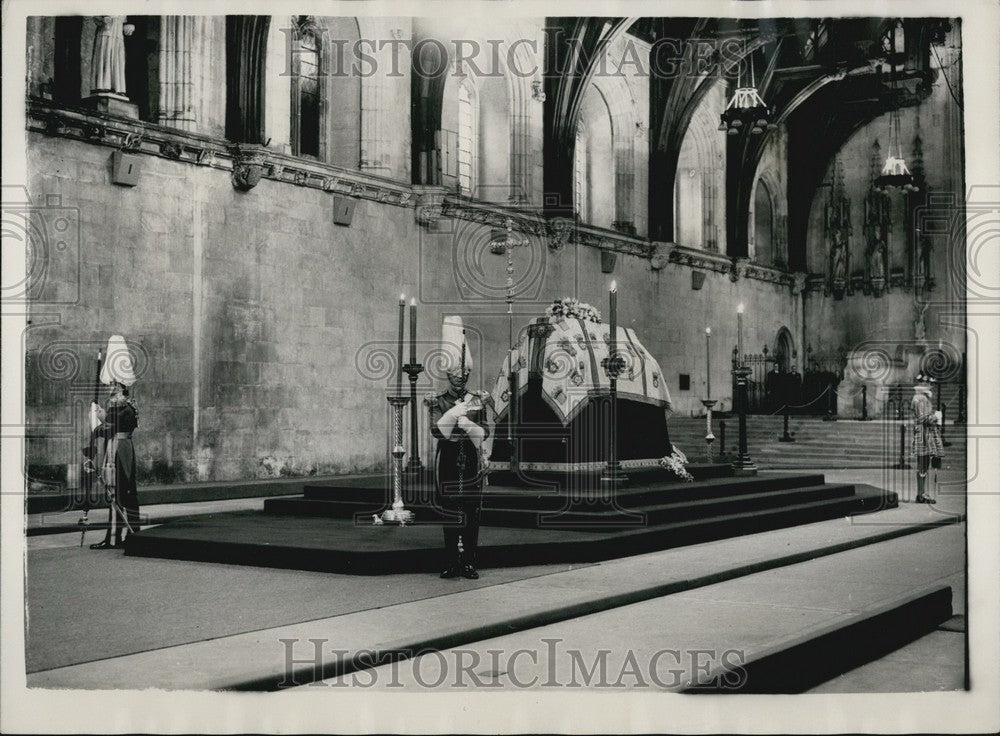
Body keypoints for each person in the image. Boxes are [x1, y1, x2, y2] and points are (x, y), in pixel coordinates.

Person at [425, 316, 495, 579]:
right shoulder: (439, 401)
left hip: (471, 458)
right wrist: (455, 416)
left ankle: (469, 561)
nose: (460, 377)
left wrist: (468, 425)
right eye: (455, 373)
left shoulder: (478, 398)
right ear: (447, 373)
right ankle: (451, 560)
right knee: (449, 508)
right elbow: (435, 430)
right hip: (449, 458)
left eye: (464, 373)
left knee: (471, 511)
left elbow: (485, 430)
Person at [87, 335, 140, 549]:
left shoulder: (121, 406)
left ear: (119, 385)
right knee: (118, 493)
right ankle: (120, 536)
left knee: (121, 493)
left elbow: (110, 427)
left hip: (120, 450)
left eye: (112, 385)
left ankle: (124, 536)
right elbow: (112, 424)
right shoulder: (124, 405)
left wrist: (98, 423)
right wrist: (100, 417)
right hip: (119, 448)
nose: (109, 388)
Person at [910, 373, 943, 504]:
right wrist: (936, 416)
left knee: (924, 464)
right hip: (923, 434)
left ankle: (921, 493)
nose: (931, 386)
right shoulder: (920, 398)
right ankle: (921, 494)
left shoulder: (922, 398)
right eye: (929, 383)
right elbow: (923, 418)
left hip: (925, 433)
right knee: (923, 464)